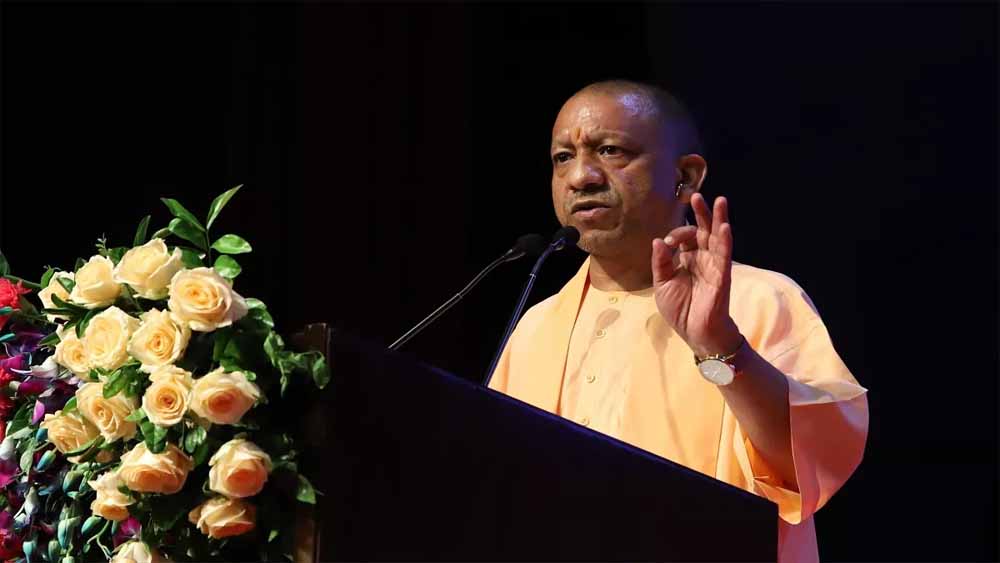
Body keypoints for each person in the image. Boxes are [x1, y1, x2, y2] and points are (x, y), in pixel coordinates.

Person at [488, 80, 868, 562]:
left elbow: (811, 464)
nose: (580, 176)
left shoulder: (759, 300)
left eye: (610, 150)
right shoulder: (535, 329)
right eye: (563, 157)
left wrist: (719, 345)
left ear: (685, 176)